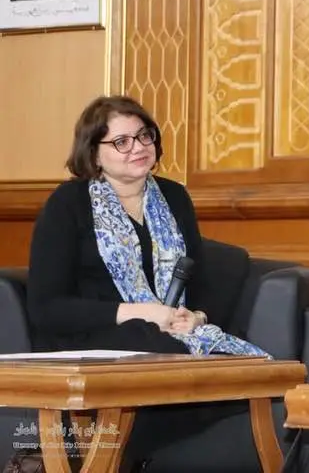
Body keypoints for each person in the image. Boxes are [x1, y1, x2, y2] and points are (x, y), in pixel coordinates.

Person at [26, 95, 268, 470]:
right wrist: (140, 312)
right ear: (93, 155)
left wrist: (197, 316)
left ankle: (124, 453)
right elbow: (46, 307)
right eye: (121, 142)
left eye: (144, 136)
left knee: (239, 363)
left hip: (168, 332)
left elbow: (199, 280)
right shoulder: (68, 204)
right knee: (155, 346)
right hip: (91, 336)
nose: (138, 148)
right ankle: (98, 453)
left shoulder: (173, 196)